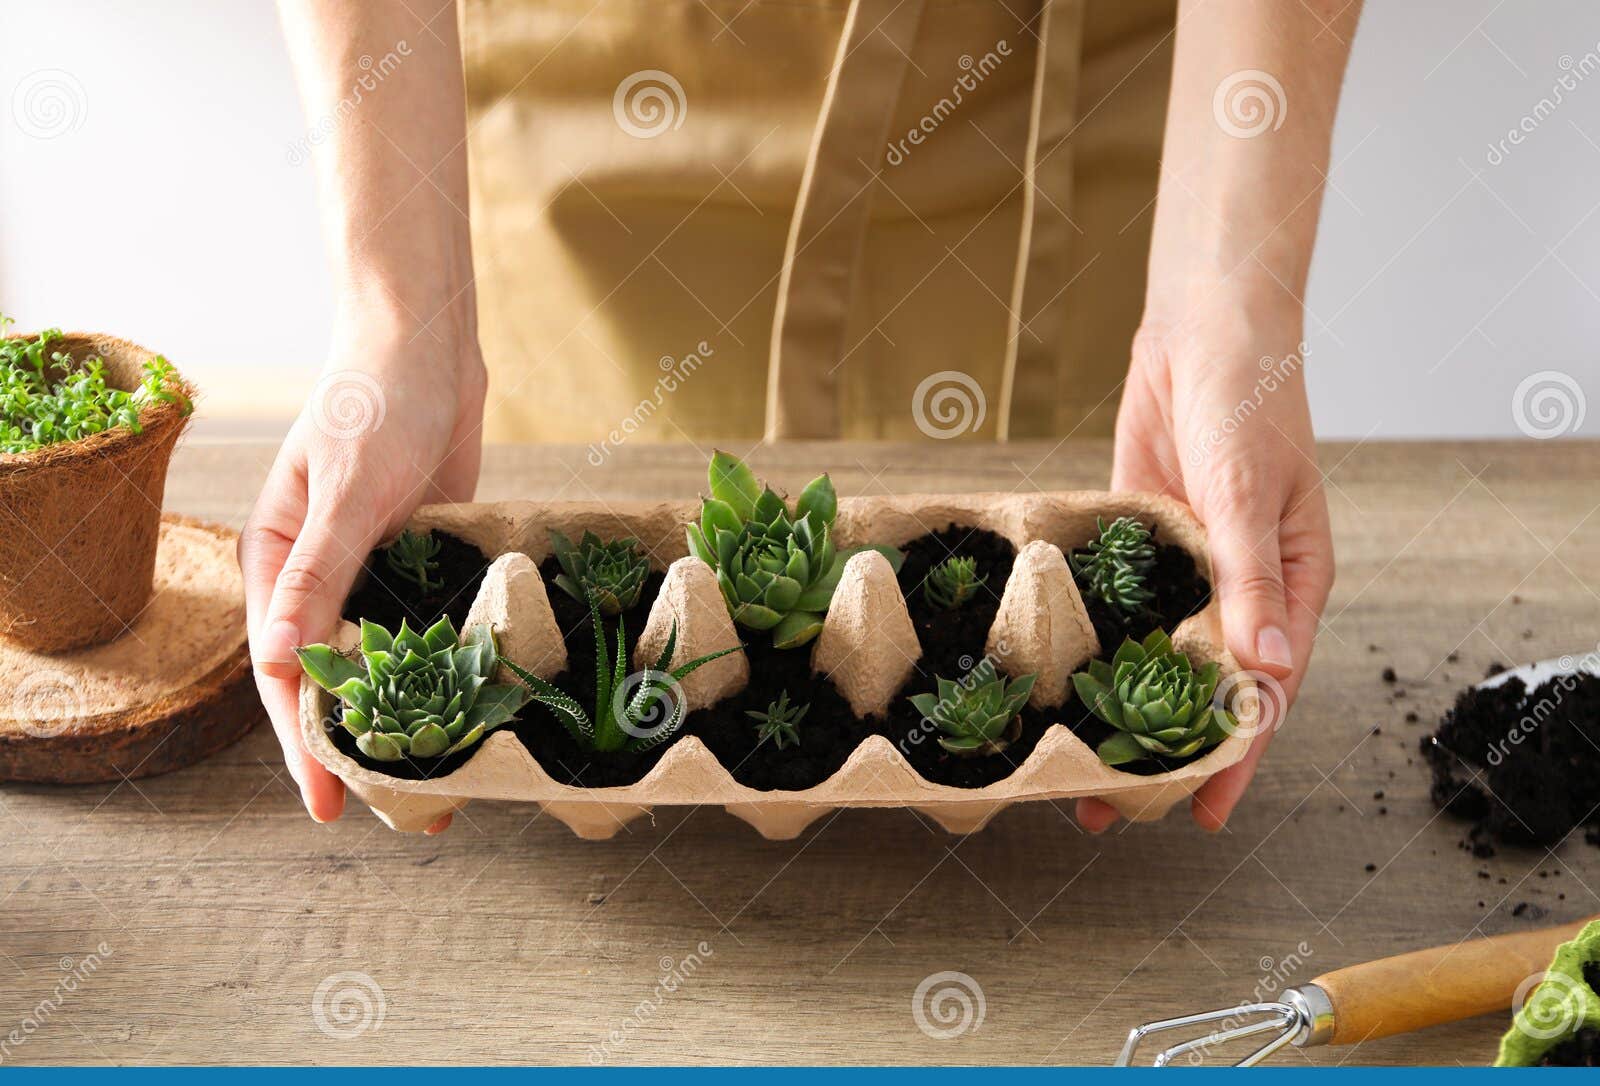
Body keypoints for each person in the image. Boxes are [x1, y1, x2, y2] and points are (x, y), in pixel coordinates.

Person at [244, 0, 1350, 835]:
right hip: (601, 95)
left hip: (1046, 126)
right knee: (574, 559)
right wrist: (404, 314)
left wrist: (1227, 305)